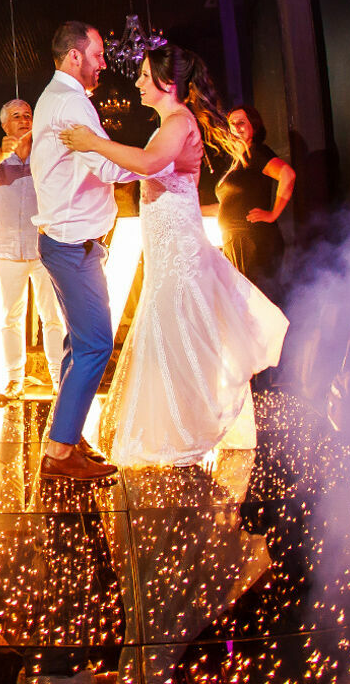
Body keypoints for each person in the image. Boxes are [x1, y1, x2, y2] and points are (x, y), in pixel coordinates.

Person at [61, 45, 290, 467]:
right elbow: (145, 167)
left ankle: (179, 434)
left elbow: (150, 163)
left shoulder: (179, 120)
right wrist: (99, 159)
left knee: (180, 332)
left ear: (168, 83)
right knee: (176, 332)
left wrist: (93, 141)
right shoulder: (171, 121)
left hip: (178, 252)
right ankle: (175, 427)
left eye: (145, 76)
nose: (138, 83)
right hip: (170, 249)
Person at [28, 21, 134, 481]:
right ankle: (58, 453)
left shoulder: (54, 96)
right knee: (94, 346)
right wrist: (160, 161)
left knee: (77, 347)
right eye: (99, 54)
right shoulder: (71, 102)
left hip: (65, 240)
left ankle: (66, 436)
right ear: (75, 56)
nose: (104, 63)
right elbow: (110, 167)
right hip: (73, 245)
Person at [0, 100, 68, 400]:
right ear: (4, 125)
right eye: (16, 116)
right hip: (8, 249)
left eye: (28, 115)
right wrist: (3, 153)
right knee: (10, 317)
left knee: (53, 317)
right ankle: (14, 380)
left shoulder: (46, 155)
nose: (24, 120)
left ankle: (58, 379)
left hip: (45, 248)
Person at [217, 105, 295, 302]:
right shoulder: (238, 160)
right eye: (231, 124)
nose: (236, 127)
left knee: (258, 302)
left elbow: (287, 174)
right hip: (235, 241)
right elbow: (230, 203)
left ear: (254, 125)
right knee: (244, 304)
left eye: (241, 122)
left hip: (253, 240)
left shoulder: (256, 153)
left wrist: (273, 213)